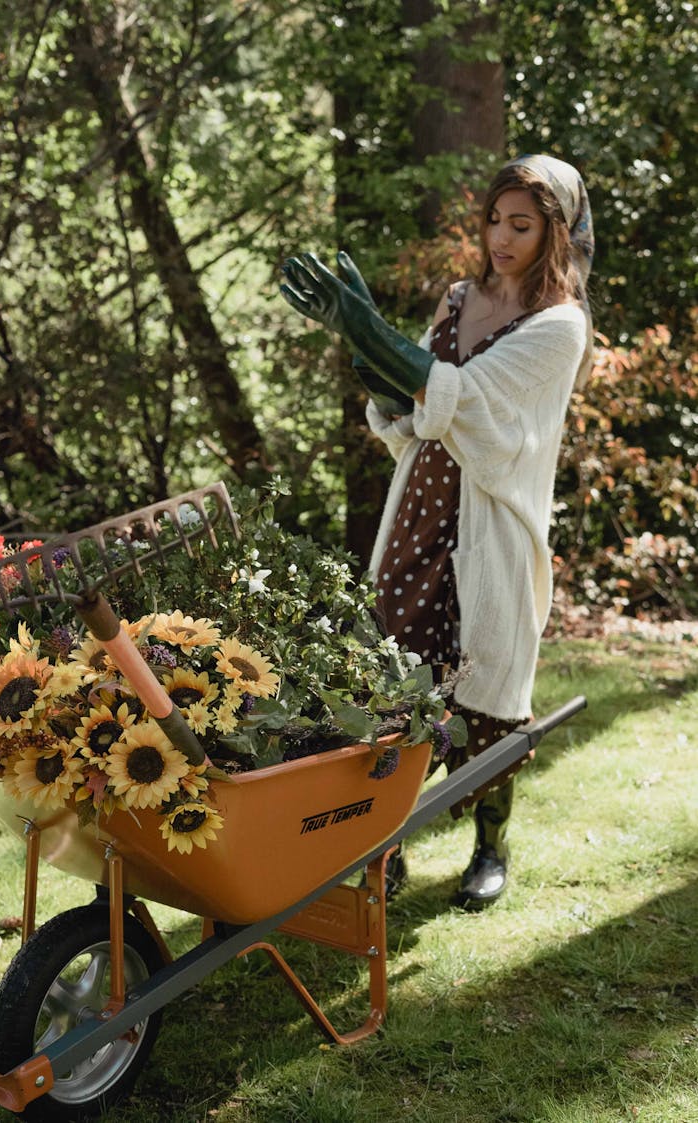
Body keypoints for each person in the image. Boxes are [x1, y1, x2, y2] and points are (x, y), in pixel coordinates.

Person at [280, 153, 594, 908]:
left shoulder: (559, 327)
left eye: (521, 225)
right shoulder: (459, 299)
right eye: (494, 220)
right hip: (421, 503)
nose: (500, 238)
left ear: (558, 231)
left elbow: (465, 398)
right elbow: (413, 391)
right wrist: (361, 342)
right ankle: (380, 849)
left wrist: (371, 328)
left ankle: (490, 844)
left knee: (489, 690)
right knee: (388, 686)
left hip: (492, 522)